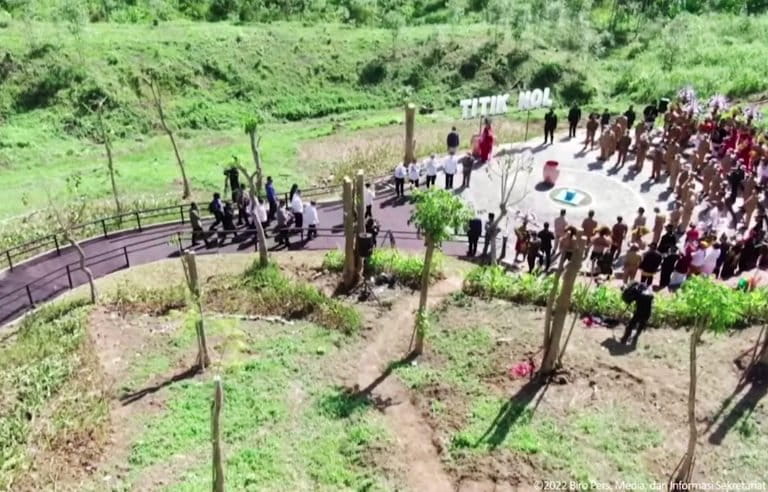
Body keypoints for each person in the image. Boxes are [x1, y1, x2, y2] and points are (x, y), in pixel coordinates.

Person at [620, 281, 654, 346]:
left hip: (639, 312)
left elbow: (628, 299)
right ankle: (636, 336)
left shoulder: (638, 292)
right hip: (647, 312)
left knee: (631, 325)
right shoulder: (649, 292)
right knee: (642, 324)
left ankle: (624, 339)